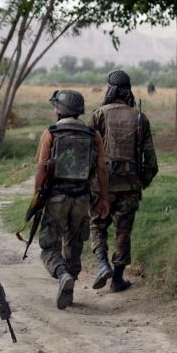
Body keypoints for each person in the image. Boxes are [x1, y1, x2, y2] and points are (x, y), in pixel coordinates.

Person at [33, 90, 109, 309]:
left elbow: (42, 168)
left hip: (56, 198)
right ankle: (70, 287)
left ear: (60, 110)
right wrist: (104, 198)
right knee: (74, 245)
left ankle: (62, 273)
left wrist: (37, 196)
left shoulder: (51, 132)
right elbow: (102, 169)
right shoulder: (92, 134)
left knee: (49, 246)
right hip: (82, 199)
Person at [89, 71, 158, 292]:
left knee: (97, 225)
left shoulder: (98, 115)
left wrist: (91, 184)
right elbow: (151, 163)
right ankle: (117, 279)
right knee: (123, 231)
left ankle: (102, 265)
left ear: (110, 89)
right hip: (130, 185)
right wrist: (139, 183)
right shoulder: (140, 117)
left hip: (103, 186)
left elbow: (89, 154)